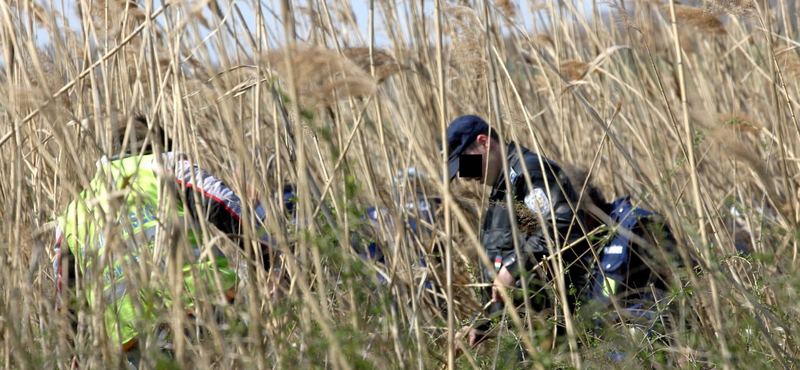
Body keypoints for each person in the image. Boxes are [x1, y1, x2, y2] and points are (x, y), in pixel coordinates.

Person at [52, 116, 282, 368]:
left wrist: (72, 355)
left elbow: (67, 302)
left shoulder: (73, 214)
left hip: (136, 340)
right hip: (205, 307)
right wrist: (271, 258)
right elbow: (226, 208)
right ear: (161, 144)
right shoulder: (165, 166)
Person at [445, 115, 592, 356]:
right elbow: (504, 283)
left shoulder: (529, 172)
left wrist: (513, 267)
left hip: (553, 333)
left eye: (465, 164)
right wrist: (479, 323)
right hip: (524, 339)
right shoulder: (500, 194)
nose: (467, 177)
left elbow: (564, 226)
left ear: (483, 142)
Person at [565, 166, 679, 362]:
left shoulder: (635, 225)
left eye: (572, 219)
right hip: (603, 343)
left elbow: (682, 278)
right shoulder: (579, 246)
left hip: (645, 337)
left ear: (587, 209)